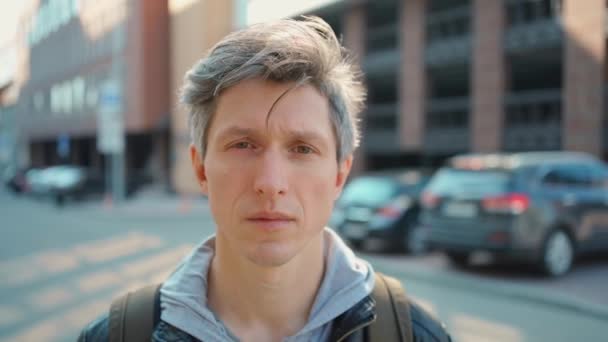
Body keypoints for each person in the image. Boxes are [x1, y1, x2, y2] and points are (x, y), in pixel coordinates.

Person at [78, 16, 451, 342]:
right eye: (243, 144)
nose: (271, 182)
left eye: (302, 148)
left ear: (340, 175)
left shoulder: (415, 336)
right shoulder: (117, 335)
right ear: (201, 168)